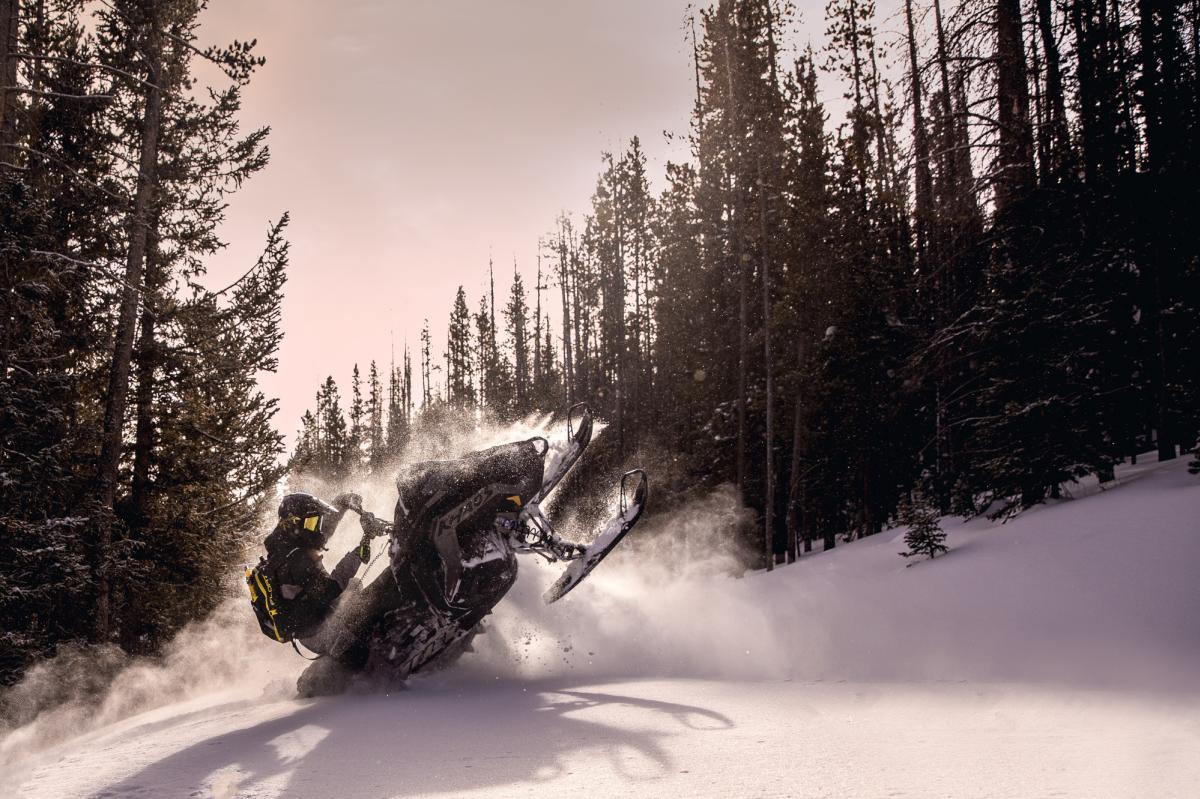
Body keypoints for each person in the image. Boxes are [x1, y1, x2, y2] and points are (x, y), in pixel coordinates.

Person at [262, 491, 387, 647]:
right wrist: (361, 548)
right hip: (320, 634)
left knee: (354, 586)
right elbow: (334, 589)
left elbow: (325, 529)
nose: (316, 528)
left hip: (311, 629)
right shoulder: (297, 560)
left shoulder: (287, 548)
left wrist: (342, 504)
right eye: (311, 523)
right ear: (295, 523)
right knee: (362, 594)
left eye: (316, 522)